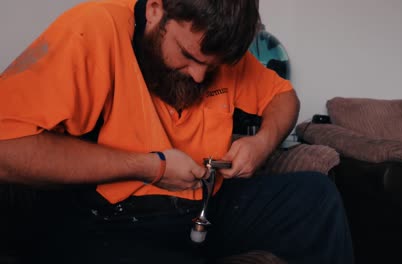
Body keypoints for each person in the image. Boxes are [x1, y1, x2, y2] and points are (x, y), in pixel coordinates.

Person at [0, 0, 353, 263]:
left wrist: (262, 143)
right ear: (156, 9)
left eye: (211, 67)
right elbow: (7, 150)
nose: (199, 76)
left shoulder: (212, 46)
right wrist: (151, 166)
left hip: (205, 207)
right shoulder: (92, 27)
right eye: (188, 55)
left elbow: (283, 96)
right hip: (107, 219)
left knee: (315, 197)